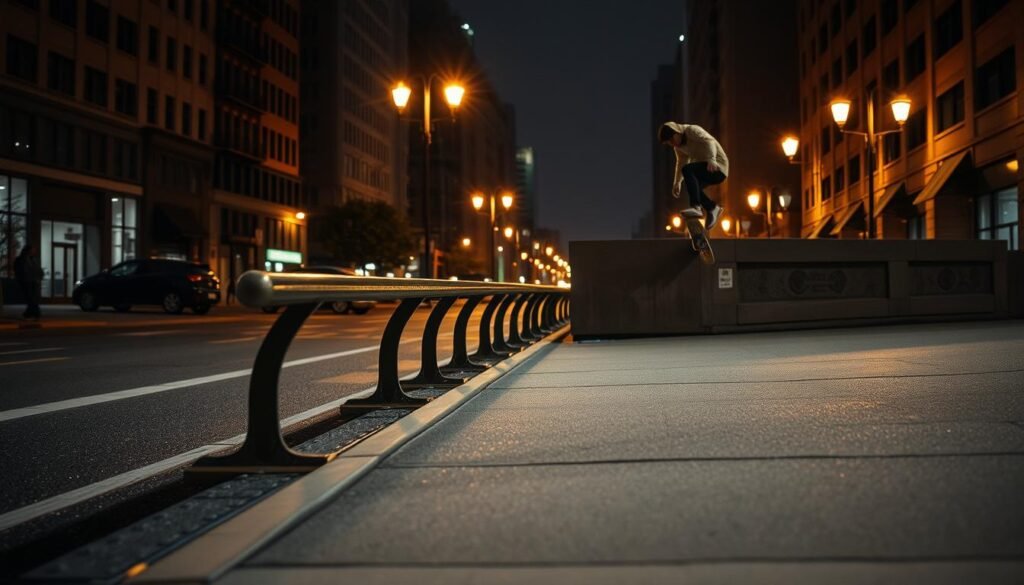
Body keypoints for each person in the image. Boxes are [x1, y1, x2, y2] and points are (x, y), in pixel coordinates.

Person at [658, 122, 729, 230]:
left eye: (672, 140)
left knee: (688, 170)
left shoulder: (692, 130)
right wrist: (677, 182)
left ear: (677, 132)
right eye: (670, 143)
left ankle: (696, 207)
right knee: (692, 186)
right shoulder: (678, 148)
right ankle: (712, 208)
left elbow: (709, 141)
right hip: (706, 169)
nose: (673, 144)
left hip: (718, 166)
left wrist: (712, 159)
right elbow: (681, 163)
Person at [14, 244, 43, 320]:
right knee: (31, 298)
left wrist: (39, 277)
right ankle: (36, 313)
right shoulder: (21, 260)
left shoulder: (34, 260)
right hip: (26, 281)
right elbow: (20, 271)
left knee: (33, 298)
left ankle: (28, 313)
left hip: (34, 281)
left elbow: (38, 270)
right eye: (33, 250)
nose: (34, 251)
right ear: (28, 250)